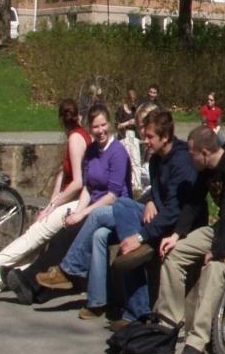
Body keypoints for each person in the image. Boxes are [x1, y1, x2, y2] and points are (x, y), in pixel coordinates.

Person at [37, 110, 199, 328]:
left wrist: (140, 237)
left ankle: (71, 270)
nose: (145, 141)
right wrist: (151, 200)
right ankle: (101, 303)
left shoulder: (181, 162)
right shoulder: (157, 160)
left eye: (150, 137)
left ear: (165, 137)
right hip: (155, 215)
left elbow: (175, 210)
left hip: (176, 226)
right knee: (101, 235)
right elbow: (159, 194)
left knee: (112, 213)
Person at [155, 126, 225, 354]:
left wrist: (217, 251)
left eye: (192, 153)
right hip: (222, 228)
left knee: (215, 268)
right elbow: (193, 202)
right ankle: (171, 323)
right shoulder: (205, 169)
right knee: (172, 255)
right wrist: (177, 235)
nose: (189, 158)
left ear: (205, 152)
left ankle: (198, 339)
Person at [0, 99, 91, 292]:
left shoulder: (76, 139)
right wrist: (50, 204)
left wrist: (52, 206)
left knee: (34, 235)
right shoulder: (76, 136)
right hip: (68, 200)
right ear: (79, 117)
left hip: (76, 202)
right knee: (37, 244)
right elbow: (63, 174)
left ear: (60, 120)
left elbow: (77, 182)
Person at [116, 88, 142, 194]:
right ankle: (125, 183)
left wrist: (136, 122)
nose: (132, 101)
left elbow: (140, 123)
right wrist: (127, 123)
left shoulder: (136, 110)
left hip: (133, 136)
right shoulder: (121, 109)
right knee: (126, 160)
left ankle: (137, 185)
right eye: (131, 99)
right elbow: (117, 125)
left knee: (136, 160)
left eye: (134, 100)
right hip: (124, 135)